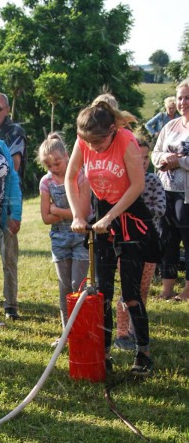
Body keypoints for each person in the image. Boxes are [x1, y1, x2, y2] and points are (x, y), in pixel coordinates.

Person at [66, 99, 159, 376]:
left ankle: (143, 353)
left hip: (131, 217)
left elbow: (138, 185)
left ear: (111, 131)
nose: (93, 149)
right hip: (103, 216)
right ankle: (102, 354)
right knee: (102, 293)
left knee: (130, 293)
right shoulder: (84, 141)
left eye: (98, 144)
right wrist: (77, 216)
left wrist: (111, 217)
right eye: (89, 144)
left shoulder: (126, 140)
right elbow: (71, 177)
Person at [115, 138, 166, 349]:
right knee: (126, 291)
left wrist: (136, 207)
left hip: (148, 246)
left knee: (143, 289)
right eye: (138, 157)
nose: (143, 162)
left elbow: (160, 208)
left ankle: (137, 331)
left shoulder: (153, 181)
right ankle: (121, 333)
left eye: (146, 157)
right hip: (126, 245)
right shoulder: (121, 182)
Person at [37, 133, 89, 339]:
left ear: (67, 155)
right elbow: (45, 217)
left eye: (57, 162)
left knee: (79, 284)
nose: (54, 168)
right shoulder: (46, 182)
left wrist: (57, 210)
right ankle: (67, 331)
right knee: (64, 286)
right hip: (59, 239)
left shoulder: (81, 175)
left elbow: (83, 214)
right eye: (49, 165)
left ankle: (84, 328)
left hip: (81, 237)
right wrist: (64, 214)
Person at [0, 91, 26, 320]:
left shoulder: (14, 132)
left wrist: (15, 212)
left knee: (8, 257)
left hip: (8, 202)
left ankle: (10, 305)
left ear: (7, 110)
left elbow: (14, 168)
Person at [151, 79, 189, 301]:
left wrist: (180, 162)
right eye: (180, 97)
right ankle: (167, 288)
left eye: (187, 97)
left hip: (186, 195)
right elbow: (154, 154)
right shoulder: (169, 126)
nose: (183, 102)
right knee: (168, 240)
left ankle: (187, 291)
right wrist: (164, 158)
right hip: (165, 191)